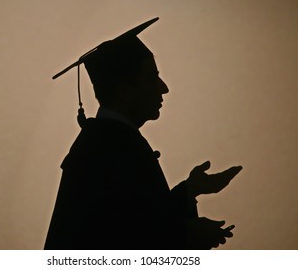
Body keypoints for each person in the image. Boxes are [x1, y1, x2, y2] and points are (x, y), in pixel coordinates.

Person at [45, 17, 242, 249]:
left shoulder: (107, 143)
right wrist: (189, 236)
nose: (163, 88)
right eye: (151, 78)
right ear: (125, 91)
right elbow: (127, 241)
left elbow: (141, 216)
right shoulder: (112, 149)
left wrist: (191, 189)